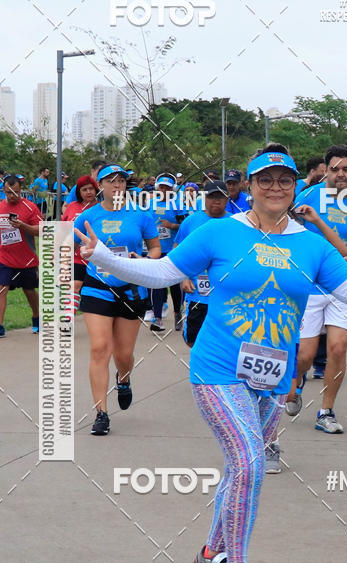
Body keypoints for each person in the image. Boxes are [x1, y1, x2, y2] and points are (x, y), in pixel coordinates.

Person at [74, 143, 347, 563]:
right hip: (216, 368)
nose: (275, 187)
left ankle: (208, 556)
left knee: (239, 469)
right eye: (265, 180)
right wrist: (103, 257)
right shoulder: (219, 233)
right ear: (248, 187)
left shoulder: (309, 244)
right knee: (250, 462)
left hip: (270, 376)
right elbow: (162, 271)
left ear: (296, 187)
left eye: (284, 180)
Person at [286, 144, 347, 433]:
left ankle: (325, 411)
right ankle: (297, 380)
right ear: (324, 170)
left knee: (338, 348)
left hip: (345, 285)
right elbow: (283, 229)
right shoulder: (306, 198)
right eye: (335, 169)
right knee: (304, 354)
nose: (341, 174)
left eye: (346, 169)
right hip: (309, 285)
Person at [73, 164, 161, 435]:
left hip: (130, 289)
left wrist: (144, 260)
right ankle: (101, 413)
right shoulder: (87, 217)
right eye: (110, 181)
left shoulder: (141, 216)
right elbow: (77, 253)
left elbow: (156, 248)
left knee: (124, 354)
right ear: (100, 186)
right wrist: (76, 279)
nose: (117, 185)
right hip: (98, 287)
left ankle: (123, 379)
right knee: (100, 348)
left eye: (121, 180)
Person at [0, 175, 43, 338]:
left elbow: (41, 230)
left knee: (29, 290)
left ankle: (36, 318)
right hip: (3, 257)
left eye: (15, 192)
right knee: (1, 289)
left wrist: (23, 226)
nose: (12, 196)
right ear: (3, 191)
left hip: (26, 259)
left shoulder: (30, 207)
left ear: (20, 189)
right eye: (8, 193)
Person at [174, 181, 230, 347]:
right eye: (212, 197)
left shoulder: (236, 223)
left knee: (223, 343)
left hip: (225, 297)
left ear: (227, 200)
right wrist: (183, 277)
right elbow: (177, 252)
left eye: (220, 197)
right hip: (198, 295)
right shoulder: (191, 221)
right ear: (205, 199)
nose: (216, 201)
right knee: (192, 340)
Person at [61, 175, 99, 317]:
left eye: (91, 189)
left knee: (94, 293)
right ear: (79, 192)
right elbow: (64, 229)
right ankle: (67, 319)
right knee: (75, 287)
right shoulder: (72, 207)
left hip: (97, 258)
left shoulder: (102, 208)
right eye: (84, 189)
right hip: (75, 257)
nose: (88, 192)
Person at [149, 174, 181, 332]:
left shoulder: (177, 204)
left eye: (167, 188)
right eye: (161, 187)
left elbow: (185, 225)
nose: (163, 190)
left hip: (172, 250)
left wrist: (172, 225)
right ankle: (157, 318)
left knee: (174, 285)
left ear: (172, 190)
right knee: (157, 283)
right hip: (156, 249)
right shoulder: (149, 204)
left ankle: (177, 314)